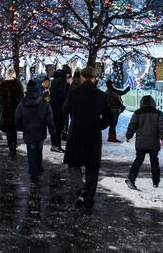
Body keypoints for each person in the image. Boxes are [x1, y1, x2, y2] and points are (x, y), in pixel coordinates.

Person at [63, 67, 112, 215]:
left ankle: (80, 188)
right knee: (92, 167)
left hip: (76, 132)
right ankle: (89, 200)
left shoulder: (73, 93)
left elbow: (64, 110)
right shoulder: (101, 96)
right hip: (93, 134)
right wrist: (98, 125)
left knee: (73, 163)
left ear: (82, 78)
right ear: (95, 79)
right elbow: (109, 117)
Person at [15, 79, 55, 182]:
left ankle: (33, 172)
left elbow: (17, 117)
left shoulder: (22, 103)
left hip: (28, 131)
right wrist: (52, 130)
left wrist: (20, 127)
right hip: (40, 131)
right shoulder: (44, 103)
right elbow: (49, 118)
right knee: (39, 151)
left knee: (31, 152)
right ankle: (38, 169)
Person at [125, 95, 163, 189]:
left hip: (141, 142)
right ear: (153, 103)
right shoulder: (158, 113)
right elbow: (162, 126)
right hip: (153, 142)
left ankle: (131, 177)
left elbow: (132, 125)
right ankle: (156, 181)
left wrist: (129, 135)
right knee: (154, 162)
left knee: (138, 160)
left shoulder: (137, 113)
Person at [0, 67, 25, 158]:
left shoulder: (3, 84)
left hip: (6, 111)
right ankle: (14, 147)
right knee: (14, 130)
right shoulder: (18, 84)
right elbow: (22, 98)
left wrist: (5, 103)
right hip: (16, 110)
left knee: (9, 131)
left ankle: (11, 148)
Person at [49, 68, 70, 153]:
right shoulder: (62, 82)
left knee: (54, 127)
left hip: (52, 107)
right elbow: (62, 96)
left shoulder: (53, 81)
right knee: (59, 127)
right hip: (59, 108)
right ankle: (57, 146)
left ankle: (54, 145)